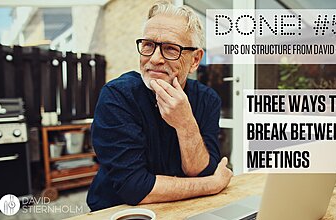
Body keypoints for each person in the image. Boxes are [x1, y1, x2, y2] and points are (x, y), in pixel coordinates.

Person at [87, 1, 233, 211]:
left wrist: (185, 124)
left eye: (170, 49)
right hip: (119, 211)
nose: (154, 59)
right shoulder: (117, 96)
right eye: (148, 45)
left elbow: (201, 171)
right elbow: (134, 188)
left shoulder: (207, 99)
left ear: (194, 60)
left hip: (186, 208)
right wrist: (212, 184)